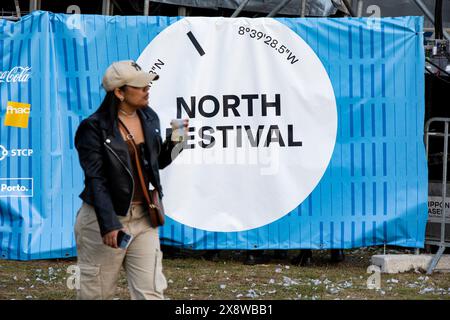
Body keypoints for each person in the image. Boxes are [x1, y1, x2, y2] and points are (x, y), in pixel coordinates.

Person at [74, 60, 187, 300]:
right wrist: (109, 224)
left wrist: (178, 140)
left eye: (148, 84)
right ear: (119, 92)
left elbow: (159, 163)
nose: (147, 89)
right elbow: (96, 180)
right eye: (139, 85)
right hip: (104, 219)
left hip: (145, 217)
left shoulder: (149, 116)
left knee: (151, 292)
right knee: (97, 293)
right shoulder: (93, 128)